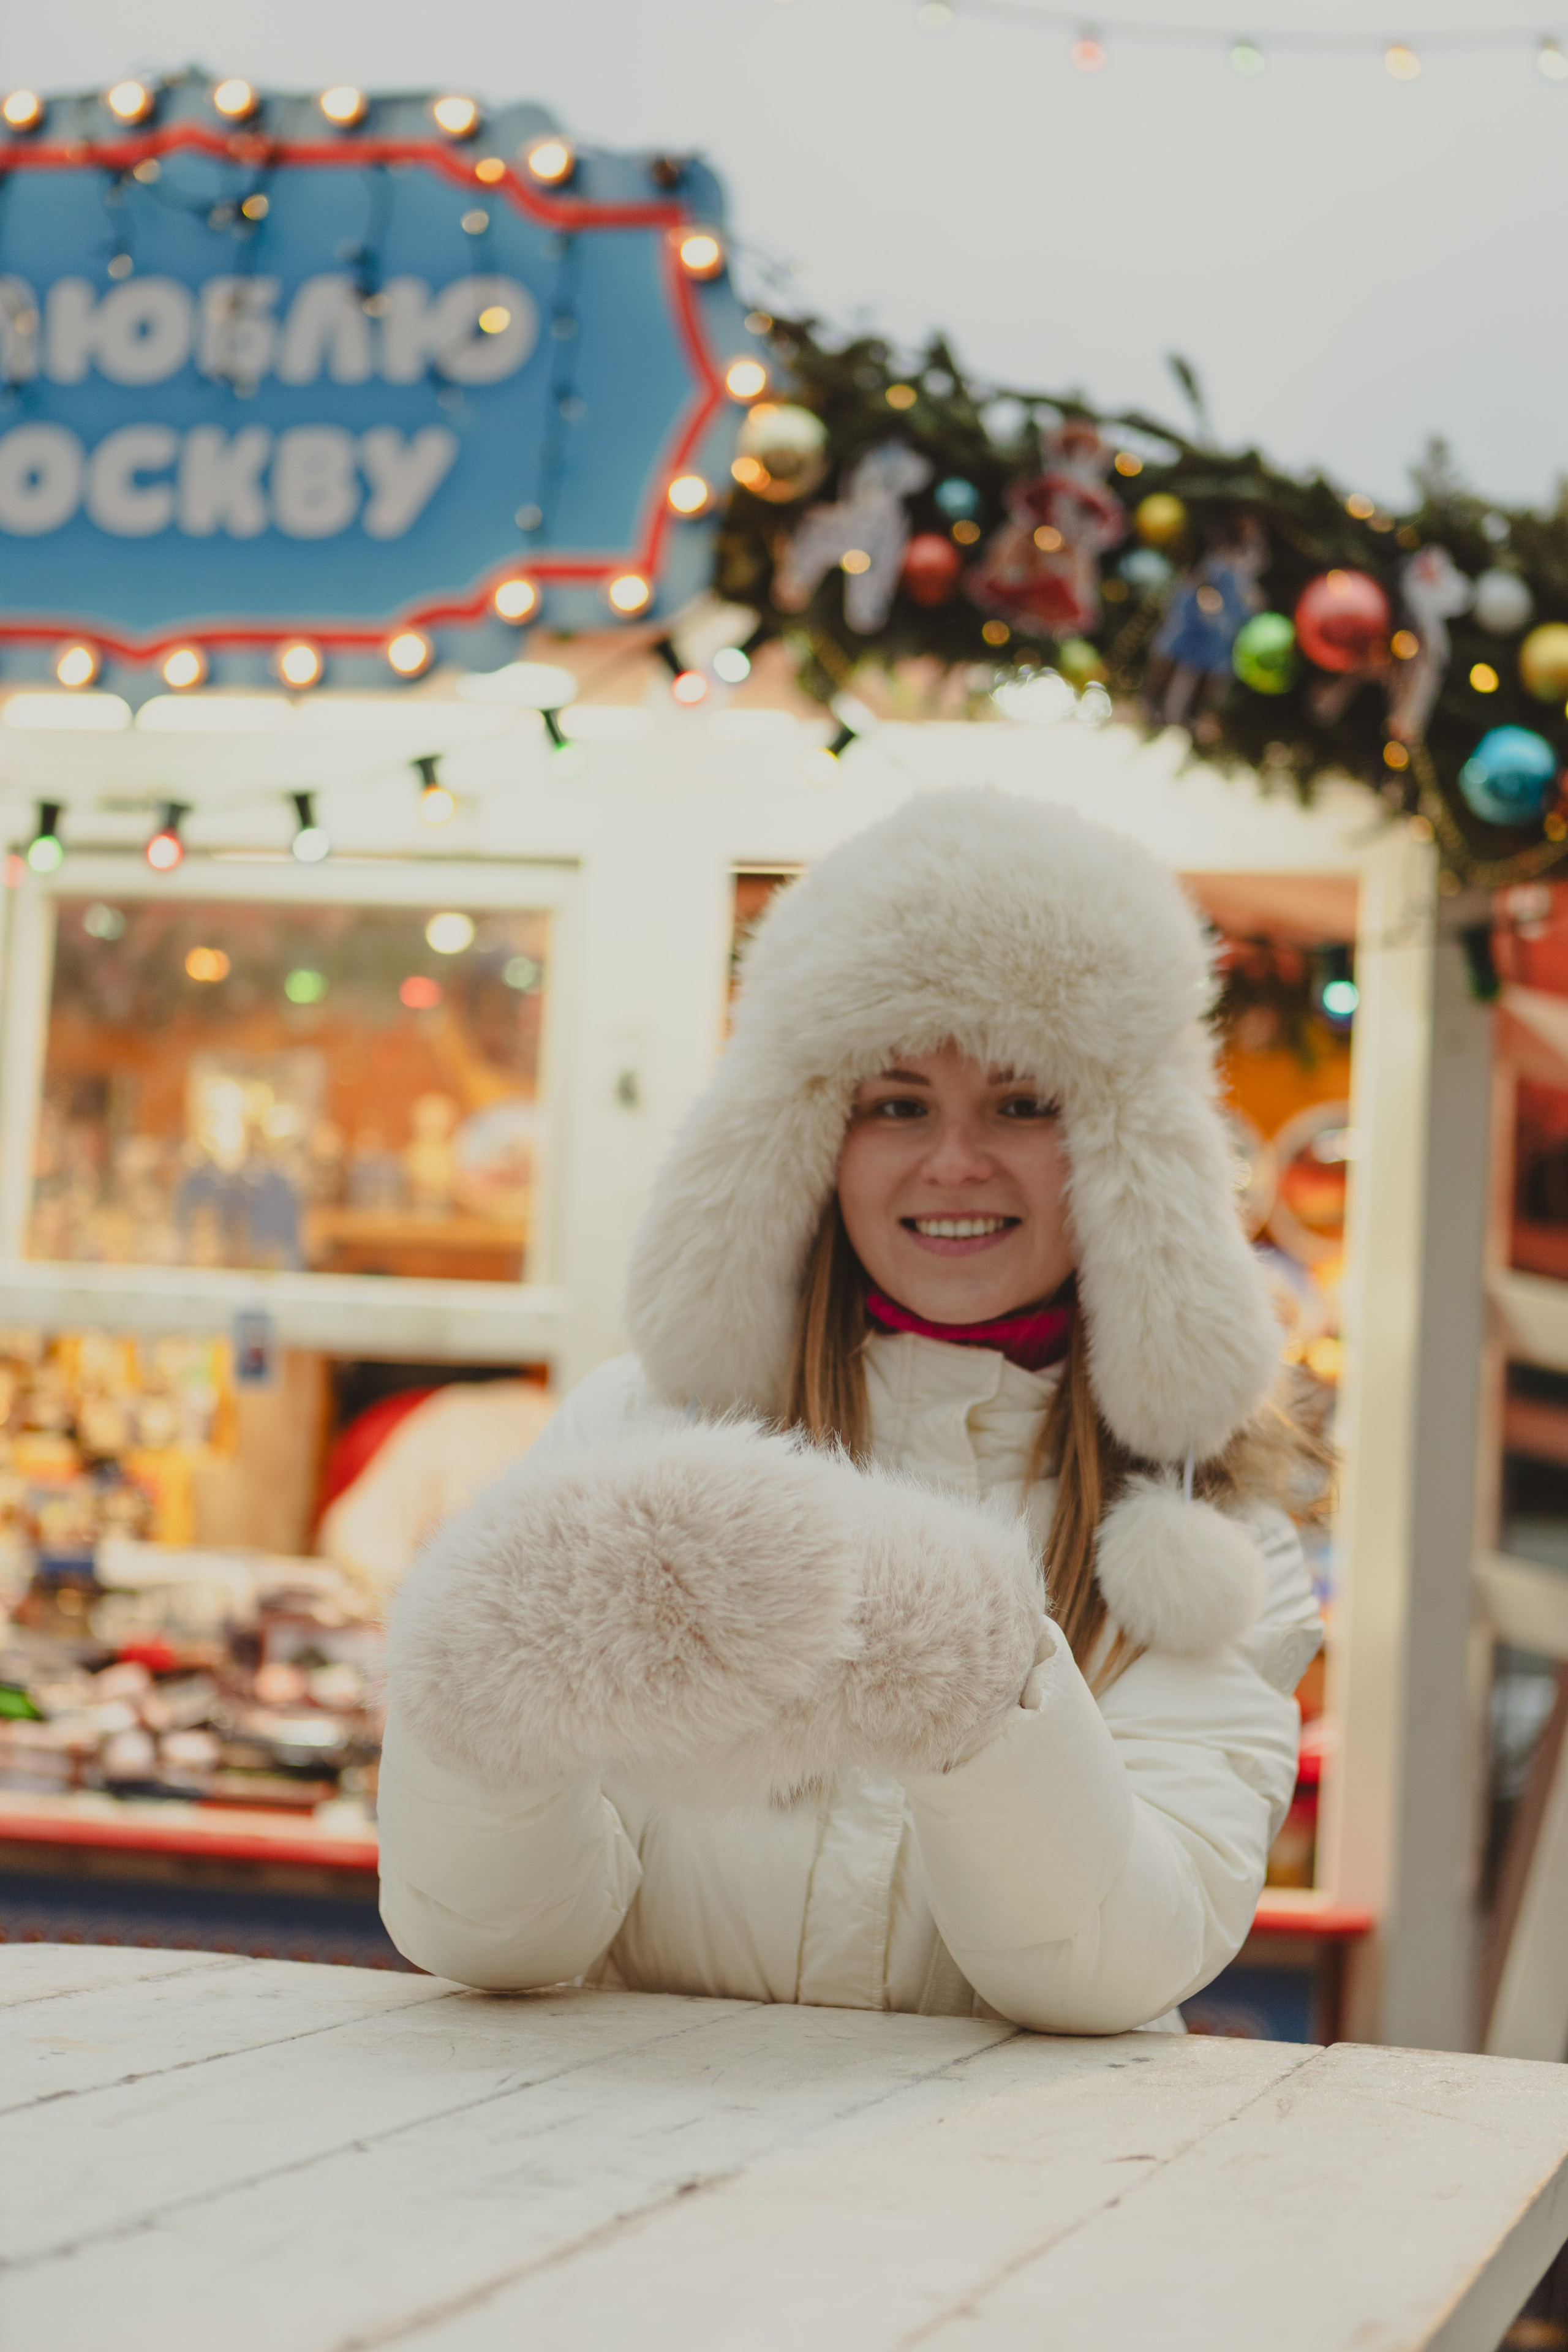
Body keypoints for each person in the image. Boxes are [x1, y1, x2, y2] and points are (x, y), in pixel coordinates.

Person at [379, 789, 1324, 2032]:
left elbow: (1112, 1962)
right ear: (810, 1137)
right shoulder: (637, 1435)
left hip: (1005, 2208)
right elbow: (488, 1940)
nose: (951, 1162)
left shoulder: (1203, 1537)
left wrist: (973, 1671)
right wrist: (481, 1685)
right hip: (619, 2174)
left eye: (1021, 1102)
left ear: (1120, 1145)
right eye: (895, 1104)